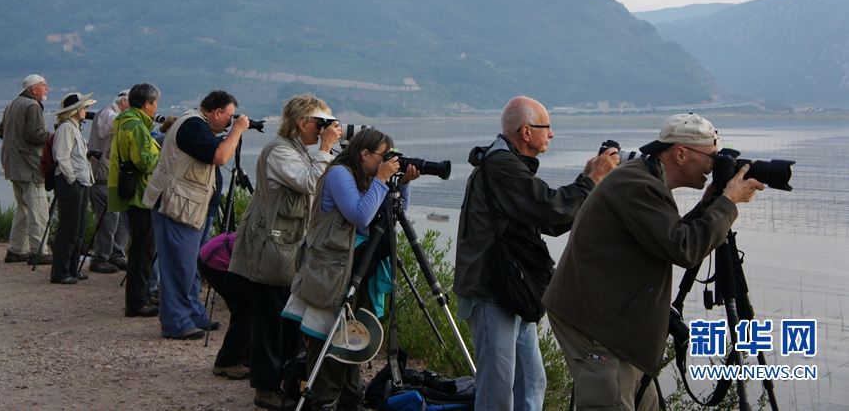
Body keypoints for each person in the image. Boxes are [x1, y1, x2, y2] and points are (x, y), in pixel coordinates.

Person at [544, 113, 764, 411]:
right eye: (711, 158)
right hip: (599, 327)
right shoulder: (638, 184)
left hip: (610, 319)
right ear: (681, 153)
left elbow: (666, 237)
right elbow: (684, 249)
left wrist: (708, 206)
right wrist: (727, 204)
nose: (715, 166)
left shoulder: (643, 177)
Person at [453, 96, 619, 411]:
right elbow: (548, 207)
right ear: (526, 131)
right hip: (492, 289)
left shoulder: (510, 163)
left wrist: (587, 182)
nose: (552, 134)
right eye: (547, 127)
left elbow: (549, 217)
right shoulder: (501, 164)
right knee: (497, 389)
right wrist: (590, 181)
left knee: (531, 381)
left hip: (515, 287)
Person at [283, 127, 419, 411]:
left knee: (354, 336)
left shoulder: (368, 178)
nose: (387, 162)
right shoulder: (339, 174)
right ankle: (323, 401)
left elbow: (389, 220)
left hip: (359, 268)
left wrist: (401, 184)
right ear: (364, 154)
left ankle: (349, 399)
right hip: (332, 272)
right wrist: (382, 178)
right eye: (384, 157)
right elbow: (359, 215)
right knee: (329, 338)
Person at [229, 94, 342, 411]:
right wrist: (325, 149)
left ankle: (289, 382)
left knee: (290, 322)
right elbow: (312, 183)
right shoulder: (279, 151)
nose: (324, 130)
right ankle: (264, 390)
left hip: (289, 249)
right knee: (269, 322)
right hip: (273, 250)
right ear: (303, 122)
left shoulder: (298, 151)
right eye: (320, 124)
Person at [143, 90, 250, 340]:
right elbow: (221, 156)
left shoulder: (197, 126)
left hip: (187, 206)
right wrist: (237, 131)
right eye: (230, 116)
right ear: (216, 112)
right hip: (176, 206)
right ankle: (176, 322)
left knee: (191, 263)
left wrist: (232, 131)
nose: (231, 121)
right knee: (178, 265)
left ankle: (192, 313)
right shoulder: (192, 125)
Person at [108, 83, 162, 318]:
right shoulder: (138, 127)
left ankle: (140, 296)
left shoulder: (124, 122)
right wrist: (165, 156)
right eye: (155, 103)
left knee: (140, 246)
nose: (156, 108)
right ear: (147, 104)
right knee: (144, 248)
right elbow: (145, 162)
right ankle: (138, 302)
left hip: (132, 192)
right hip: (142, 195)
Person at [0, 74, 53, 265]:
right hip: (29, 165)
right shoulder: (32, 106)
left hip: (12, 164)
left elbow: (0, 131)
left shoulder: (13, 104)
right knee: (38, 208)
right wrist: (52, 136)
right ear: (33, 89)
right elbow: (36, 135)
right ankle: (40, 251)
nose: (47, 89)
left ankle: (17, 249)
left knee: (23, 208)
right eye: (44, 86)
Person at [50, 93, 97, 284]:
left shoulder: (75, 127)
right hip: (71, 183)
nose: (86, 110)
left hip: (81, 181)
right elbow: (61, 156)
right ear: (76, 110)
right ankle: (60, 272)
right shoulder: (67, 128)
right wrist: (71, 179)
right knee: (68, 228)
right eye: (84, 107)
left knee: (78, 228)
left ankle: (72, 269)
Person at [198, 232, 253, 380]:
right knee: (247, 310)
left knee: (252, 307)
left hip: (214, 253)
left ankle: (246, 355)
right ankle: (227, 361)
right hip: (215, 260)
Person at [87, 90, 130, 274]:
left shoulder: (116, 114)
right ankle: (100, 258)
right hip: (103, 175)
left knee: (122, 218)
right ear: (124, 101)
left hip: (116, 175)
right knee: (108, 219)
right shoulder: (107, 114)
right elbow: (117, 123)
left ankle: (116, 254)